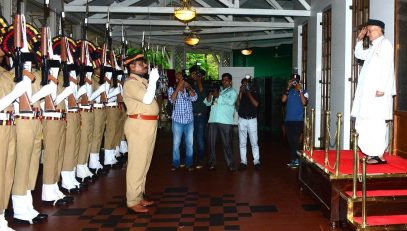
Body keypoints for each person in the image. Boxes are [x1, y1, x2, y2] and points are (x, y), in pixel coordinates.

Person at [351, 19, 396, 164]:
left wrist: (382, 89)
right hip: (368, 95)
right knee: (366, 123)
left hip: (378, 95)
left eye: (370, 31)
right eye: (368, 31)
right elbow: (359, 54)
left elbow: (387, 68)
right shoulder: (373, 47)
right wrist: (359, 39)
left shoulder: (385, 44)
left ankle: (378, 156)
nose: (368, 34)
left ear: (379, 30)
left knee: (376, 124)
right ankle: (371, 153)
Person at [123, 53, 160, 213]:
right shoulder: (131, 84)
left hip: (148, 124)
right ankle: (132, 200)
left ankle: (139, 195)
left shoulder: (142, 82)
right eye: (141, 64)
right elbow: (146, 100)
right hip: (139, 124)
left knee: (144, 163)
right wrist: (153, 80)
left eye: (145, 63)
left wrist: (150, 81)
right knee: (137, 164)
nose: (145, 66)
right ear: (131, 66)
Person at [204, 73, 238, 171]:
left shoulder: (233, 92)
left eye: (226, 80)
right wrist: (211, 94)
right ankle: (212, 163)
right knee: (211, 143)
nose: (224, 81)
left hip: (226, 122)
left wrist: (218, 95)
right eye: (223, 80)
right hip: (213, 120)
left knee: (227, 144)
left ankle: (230, 164)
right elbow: (207, 103)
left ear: (230, 81)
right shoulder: (217, 91)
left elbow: (231, 102)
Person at [168, 71, 197, 171]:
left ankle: (189, 164)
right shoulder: (171, 89)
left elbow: (195, 98)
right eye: (178, 77)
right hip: (177, 121)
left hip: (189, 121)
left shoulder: (188, 89)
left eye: (182, 78)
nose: (180, 79)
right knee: (176, 144)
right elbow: (172, 100)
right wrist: (178, 87)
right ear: (176, 79)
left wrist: (188, 87)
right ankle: (175, 164)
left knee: (189, 144)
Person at [282, 73, 308, 168]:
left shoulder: (304, 91)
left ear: (299, 81)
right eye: (293, 80)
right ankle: (294, 159)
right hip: (288, 120)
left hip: (298, 120)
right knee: (291, 141)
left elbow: (304, 102)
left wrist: (300, 90)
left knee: (296, 141)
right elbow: (283, 100)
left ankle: (296, 160)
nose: (294, 82)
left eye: (296, 81)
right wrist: (288, 87)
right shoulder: (288, 91)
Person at [236, 76, 260, 170]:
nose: (244, 85)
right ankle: (243, 162)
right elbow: (238, 104)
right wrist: (241, 92)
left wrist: (248, 92)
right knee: (242, 143)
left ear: (250, 84)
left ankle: (256, 161)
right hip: (242, 120)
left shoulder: (254, 92)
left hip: (252, 120)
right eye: (243, 84)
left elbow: (256, 104)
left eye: (246, 84)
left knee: (254, 142)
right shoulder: (242, 93)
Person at [189, 65, 208, 169]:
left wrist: (199, 79)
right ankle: (192, 158)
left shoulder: (204, 84)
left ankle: (201, 159)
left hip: (200, 116)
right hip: (190, 116)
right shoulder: (190, 84)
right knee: (191, 139)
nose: (196, 75)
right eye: (195, 74)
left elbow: (202, 92)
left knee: (200, 138)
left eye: (198, 74)